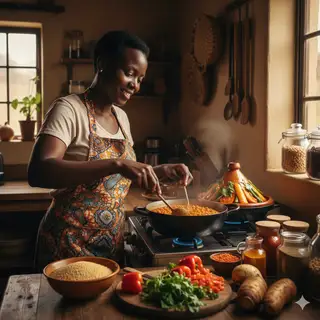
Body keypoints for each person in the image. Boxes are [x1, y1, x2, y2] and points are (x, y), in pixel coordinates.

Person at [28, 30, 192, 269]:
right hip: (67, 244)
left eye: (140, 79)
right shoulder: (69, 109)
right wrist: (117, 163)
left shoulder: (122, 117)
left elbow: (117, 180)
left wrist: (158, 171)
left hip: (110, 246)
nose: (135, 85)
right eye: (129, 73)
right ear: (103, 64)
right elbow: (39, 171)